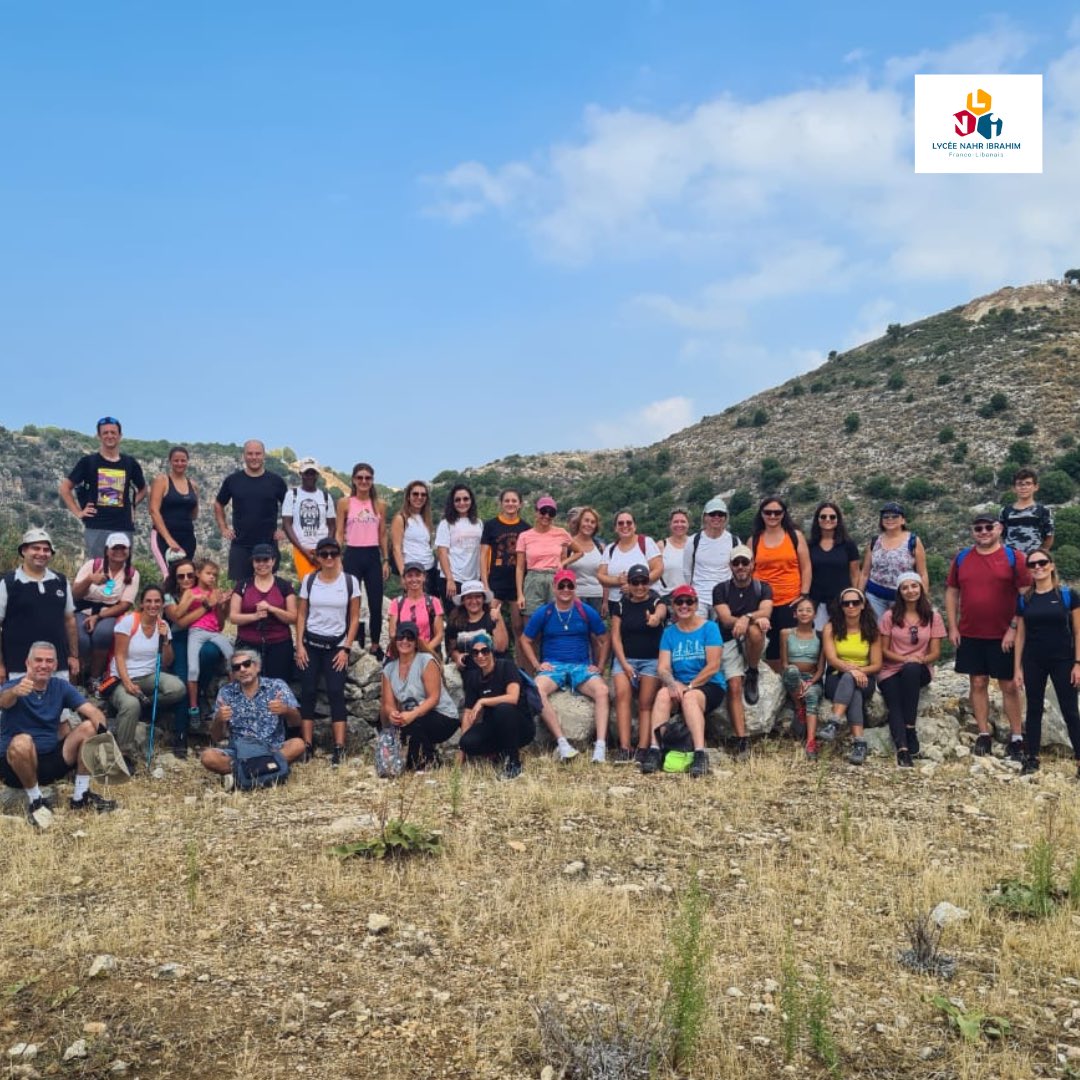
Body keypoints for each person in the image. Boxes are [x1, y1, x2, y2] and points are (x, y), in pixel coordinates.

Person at [1, 641, 118, 827]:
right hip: (16, 766)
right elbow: (4, 702)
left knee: (89, 727)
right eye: (38, 660)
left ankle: (80, 796)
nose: (44, 665)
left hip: (50, 761)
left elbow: (93, 713)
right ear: (28, 663)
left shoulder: (60, 686)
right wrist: (15, 692)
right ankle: (36, 801)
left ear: (55, 665)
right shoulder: (13, 686)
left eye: (49, 661)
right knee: (23, 741)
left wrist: (105, 741)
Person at [946, 513, 1030, 760]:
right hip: (971, 632)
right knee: (978, 682)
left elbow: (1026, 594)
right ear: (972, 531)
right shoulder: (962, 558)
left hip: (1004, 633)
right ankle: (983, 734)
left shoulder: (1014, 558)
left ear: (999, 528)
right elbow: (952, 591)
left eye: (988, 527)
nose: (983, 532)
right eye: (978, 528)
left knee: (1009, 685)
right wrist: (952, 626)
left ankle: (1016, 737)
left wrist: (1014, 627)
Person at [519, 568, 610, 763]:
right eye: (562, 585)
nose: (566, 589)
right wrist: (537, 664)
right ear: (554, 587)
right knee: (537, 689)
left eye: (570, 585)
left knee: (602, 690)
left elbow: (604, 638)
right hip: (554, 665)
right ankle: (562, 743)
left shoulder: (585, 611)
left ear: (575, 587)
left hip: (580, 666)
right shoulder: (545, 612)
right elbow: (525, 639)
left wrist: (600, 666)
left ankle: (600, 747)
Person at [641, 584, 726, 779]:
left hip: (708, 685)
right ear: (673, 605)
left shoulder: (709, 628)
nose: (684, 606)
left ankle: (699, 753)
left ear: (696, 604)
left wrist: (689, 686)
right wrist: (672, 684)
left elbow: (713, 665)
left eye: (689, 601)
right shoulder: (670, 633)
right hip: (680, 684)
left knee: (690, 699)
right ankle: (655, 749)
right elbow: (663, 667)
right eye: (679, 602)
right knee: (662, 695)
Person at [1013, 548, 1080, 776]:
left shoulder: (1068, 595)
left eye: (1042, 562)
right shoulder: (1025, 599)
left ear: (1051, 565)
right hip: (1034, 660)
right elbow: (1020, 635)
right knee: (1033, 709)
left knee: (1070, 711)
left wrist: (1078, 663)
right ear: (1029, 570)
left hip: (1064, 660)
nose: (1038, 567)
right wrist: (1017, 669)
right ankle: (1032, 758)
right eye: (1032, 564)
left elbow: (1078, 632)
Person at [295, 536, 361, 765]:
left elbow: (354, 618)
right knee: (308, 692)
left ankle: (339, 747)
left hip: (336, 646)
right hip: (312, 644)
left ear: (340, 555)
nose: (329, 558)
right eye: (324, 554)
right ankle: (306, 745)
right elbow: (301, 614)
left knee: (335, 692)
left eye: (334, 553)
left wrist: (346, 648)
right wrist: (299, 645)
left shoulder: (350, 582)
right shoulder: (309, 581)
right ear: (318, 557)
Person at [200, 648, 306, 780]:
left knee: (298, 745)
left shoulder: (277, 686)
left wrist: (286, 710)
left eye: (247, 664)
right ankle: (270, 771)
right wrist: (219, 719)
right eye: (237, 667)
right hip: (239, 752)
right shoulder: (226, 692)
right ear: (233, 673)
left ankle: (242, 775)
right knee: (208, 757)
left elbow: (297, 722)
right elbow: (216, 738)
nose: (242, 669)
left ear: (257, 667)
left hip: (271, 749)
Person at [106, 585, 186, 759]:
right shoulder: (129, 622)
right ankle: (124, 752)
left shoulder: (163, 625)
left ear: (162, 604)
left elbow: (167, 661)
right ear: (141, 604)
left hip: (148, 676)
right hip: (122, 678)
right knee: (130, 704)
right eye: (148, 601)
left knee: (178, 688)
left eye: (157, 601)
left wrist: (165, 640)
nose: (153, 605)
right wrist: (127, 683)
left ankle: (145, 703)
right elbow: (119, 656)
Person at [877, 572, 945, 767]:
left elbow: (935, 653)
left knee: (912, 670)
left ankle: (910, 728)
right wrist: (906, 659)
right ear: (899, 591)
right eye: (905, 587)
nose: (910, 591)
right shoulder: (890, 616)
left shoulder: (933, 616)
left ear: (921, 588)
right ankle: (903, 749)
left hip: (919, 668)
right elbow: (883, 649)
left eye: (914, 586)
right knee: (894, 700)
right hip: (892, 667)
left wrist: (917, 660)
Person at [713, 545, 774, 755]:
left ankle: (753, 669)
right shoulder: (721, 589)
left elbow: (767, 610)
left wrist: (746, 618)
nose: (741, 567)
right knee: (734, 685)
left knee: (756, 631)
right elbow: (724, 618)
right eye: (736, 563)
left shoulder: (762, 587)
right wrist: (749, 619)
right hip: (728, 640)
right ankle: (741, 739)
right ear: (730, 565)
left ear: (752, 565)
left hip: (750, 638)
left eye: (745, 562)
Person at [59, 416, 147, 558]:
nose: (109, 436)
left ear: (120, 436)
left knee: (121, 571)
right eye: (105, 433)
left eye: (113, 432)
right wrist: (78, 512)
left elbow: (143, 489)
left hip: (123, 526)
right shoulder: (88, 462)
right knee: (98, 569)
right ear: (98, 436)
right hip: (96, 526)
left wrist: (132, 504)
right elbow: (65, 488)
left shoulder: (130, 463)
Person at [0, 528, 78, 683]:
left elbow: (69, 620)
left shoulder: (61, 581)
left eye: (46, 550)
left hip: (56, 666)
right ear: (24, 550)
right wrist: (0, 664)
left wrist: (73, 656)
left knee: (59, 707)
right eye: (36, 548)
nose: (41, 553)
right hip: (18, 667)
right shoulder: (8, 583)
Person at [163, 558, 224, 754]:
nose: (186, 579)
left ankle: (198, 694)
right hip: (180, 639)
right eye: (181, 576)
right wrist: (206, 607)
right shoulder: (169, 596)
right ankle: (180, 734)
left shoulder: (207, 592)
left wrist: (220, 606)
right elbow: (179, 622)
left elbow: (220, 624)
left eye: (190, 574)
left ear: (196, 574)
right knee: (182, 680)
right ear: (175, 578)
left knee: (211, 653)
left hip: (202, 634)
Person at [380, 621, 459, 771]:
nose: (404, 641)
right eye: (401, 637)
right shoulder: (388, 669)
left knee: (416, 723)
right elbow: (388, 703)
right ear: (395, 640)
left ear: (416, 642)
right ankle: (425, 759)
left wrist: (412, 714)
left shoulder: (426, 661)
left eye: (410, 637)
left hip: (443, 716)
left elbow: (434, 698)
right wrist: (392, 714)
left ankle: (428, 761)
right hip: (412, 716)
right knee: (403, 739)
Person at [609, 564, 667, 764]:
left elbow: (662, 610)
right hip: (626, 659)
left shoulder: (656, 600)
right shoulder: (621, 605)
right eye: (635, 582)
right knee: (622, 697)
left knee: (645, 703)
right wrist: (624, 664)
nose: (640, 586)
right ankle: (624, 747)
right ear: (629, 583)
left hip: (651, 660)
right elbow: (615, 637)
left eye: (644, 582)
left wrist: (656, 618)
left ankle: (643, 747)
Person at [459, 632, 534, 779]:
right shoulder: (474, 677)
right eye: (475, 653)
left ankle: (514, 762)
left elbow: (512, 698)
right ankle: (499, 753)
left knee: (503, 708)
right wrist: (461, 751)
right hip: (494, 727)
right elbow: (468, 713)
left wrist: (483, 701)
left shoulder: (507, 666)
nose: (480, 656)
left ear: (492, 651)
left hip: (520, 725)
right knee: (467, 742)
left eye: (485, 651)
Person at [821, 587, 882, 765]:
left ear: (863, 605)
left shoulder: (872, 630)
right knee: (851, 686)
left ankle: (834, 722)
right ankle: (859, 744)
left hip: (865, 677)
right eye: (846, 603)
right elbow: (832, 659)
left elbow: (877, 665)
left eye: (855, 602)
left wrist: (858, 672)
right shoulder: (831, 628)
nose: (851, 606)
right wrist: (852, 670)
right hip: (836, 676)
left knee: (852, 680)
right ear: (841, 607)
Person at [750, 496, 811, 671]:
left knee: (793, 646)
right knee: (771, 649)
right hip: (764, 602)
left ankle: (796, 683)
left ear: (784, 514)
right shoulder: (754, 540)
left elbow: (806, 566)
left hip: (791, 599)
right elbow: (749, 571)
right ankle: (777, 684)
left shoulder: (794, 536)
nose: (772, 516)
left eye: (777, 512)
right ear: (761, 514)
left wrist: (804, 595)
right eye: (768, 512)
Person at [214, 439, 288, 582]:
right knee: (239, 590)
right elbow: (218, 504)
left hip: (268, 545)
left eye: (258, 454)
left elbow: (290, 506)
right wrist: (223, 528)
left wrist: (284, 529)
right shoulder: (233, 480)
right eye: (250, 454)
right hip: (240, 545)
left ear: (264, 455)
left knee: (267, 588)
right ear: (244, 456)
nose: (254, 457)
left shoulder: (276, 481)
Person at [336, 462, 389, 658]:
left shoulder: (380, 505)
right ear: (353, 480)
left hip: (372, 555)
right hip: (352, 555)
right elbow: (340, 532)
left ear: (372, 480)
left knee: (376, 603)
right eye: (360, 478)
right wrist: (336, 556)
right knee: (351, 602)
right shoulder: (345, 503)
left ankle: (375, 644)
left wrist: (386, 560)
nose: (364, 481)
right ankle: (353, 642)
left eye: (367, 478)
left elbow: (383, 534)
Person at [72, 534, 139, 684]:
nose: (119, 551)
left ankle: (95, 678)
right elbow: (75, 594)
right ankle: (78, 679)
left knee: (103, 634)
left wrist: (98, 617)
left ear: (129, 551)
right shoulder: (92, 566)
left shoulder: (132, 575)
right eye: (115, 548)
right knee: (81, 639)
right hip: (84, 609)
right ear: (107, 550)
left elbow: (124, 604)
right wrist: (89, 580)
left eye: (123, 548)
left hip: (109, 612)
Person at [229, 543, 298, 682]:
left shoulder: (284, 586)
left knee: (277, 686)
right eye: (257, 560)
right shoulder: (242, 585)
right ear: (252, 562)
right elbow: (233, 617)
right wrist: (255, 616)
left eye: (265, 560)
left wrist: (272, 609)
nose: (262, 564)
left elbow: (293, 617)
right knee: (248, 685)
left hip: (279, 645)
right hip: (248, 644)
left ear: (273, 561)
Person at [480, 488, 530, 656]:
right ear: (501, 503)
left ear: (520, 504)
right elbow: (482, 556)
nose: (510, 504)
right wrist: (485, 585)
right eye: (507, 501)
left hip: (517, 585)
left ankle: (521, 668)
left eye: (514, 501)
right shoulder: (490, 525)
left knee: (519, 628)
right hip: (495, 582)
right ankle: (491, 664)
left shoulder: (526, 528)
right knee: (490, 625)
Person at [859, 502, 929, 622]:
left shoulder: (912, 541)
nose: (890, 519)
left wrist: (923, 598)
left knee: (899, 632)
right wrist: (859, 595)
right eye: (886, 517)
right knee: (877, 632)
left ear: (903, 520)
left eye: (895, 516)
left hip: (904, 598)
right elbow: (865, 573)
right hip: (874, 597)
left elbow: (922, 573)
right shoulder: (875, 541)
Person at [185, 558, 234, 722]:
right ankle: (193, 707)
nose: (212, 577)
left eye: (215, 574)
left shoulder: (216, 592)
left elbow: (221, 622)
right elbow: (180, 613)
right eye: (208, 573)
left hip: (214, 632)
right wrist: (199, 601)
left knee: (232, 660)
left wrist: (223, 605)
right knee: (193, 669)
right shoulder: (191, 592)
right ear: (198, 574)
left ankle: (234, 699)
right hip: (196, 632)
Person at [515, 496, 572, 618]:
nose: (546, 515)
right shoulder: (525, 536)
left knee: (556, 618)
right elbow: (520, 568)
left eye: (551, 512)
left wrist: (564, 562)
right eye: (543, 511)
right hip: (533, 578)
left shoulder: (561, 533)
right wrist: (520, 594)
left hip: (555, 578)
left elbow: (579, 552)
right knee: (531, 620)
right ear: (536, 512)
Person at [780, 596, 824, 753]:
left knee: (811, 695)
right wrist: (798, 682)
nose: (804, 613)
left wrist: (811, 682)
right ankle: (799, 707)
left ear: (815, 614)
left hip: (812, 678)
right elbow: (784, 663)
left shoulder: (820, 635)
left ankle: (811, 742)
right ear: (795, 614)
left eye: (808, 610)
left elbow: (820, 668)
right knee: (791, 670)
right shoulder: (786, 633)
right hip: (793, 676)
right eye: (800, 610)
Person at [808, 501, 860, 630]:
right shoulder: (809, 545)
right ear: (817, 520)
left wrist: (856, 596)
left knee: (840, 637)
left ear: (838, 520)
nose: (827, 519)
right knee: (819, 639)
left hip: (841, 602)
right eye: (823, 516)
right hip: (816, 601)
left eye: (832, 517)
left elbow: (855, 574)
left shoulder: (848, 545)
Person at [148, 445, 199, 575]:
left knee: (185, 577)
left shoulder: (193, 485)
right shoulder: (162, 481)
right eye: (176, 460)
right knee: (169, 576)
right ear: (170, 461)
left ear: (187, 461)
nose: (179, 463)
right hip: (164, 537)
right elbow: (153, 510)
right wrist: (169, 539)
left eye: (183, 460)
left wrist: (193, 499)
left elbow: (194, 515)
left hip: (187, 537)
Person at [282, 457, 336, 580]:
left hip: (323, 550)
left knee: (327, 585)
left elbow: (332, 525)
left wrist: (326, 548)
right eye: (307, 473)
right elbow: (287, 524)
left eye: (313, 473)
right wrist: (304, 552)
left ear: (317, 475)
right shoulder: (292, 495)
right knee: (308, 585)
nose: (310, 476)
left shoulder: (326, 497)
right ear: (301, 473)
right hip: (302, 549)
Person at [684, 497, 738, 617]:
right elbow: (687, 571)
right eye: (712, 514)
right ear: (705, 517)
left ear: (726, 517)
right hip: (699, 599)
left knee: (721, 634)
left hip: (724, 599)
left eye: (721, 514)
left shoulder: (734, 541)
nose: (716, 517)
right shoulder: (693, 541)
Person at [598, 509, 663, 608]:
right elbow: (600, 575)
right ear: (615, 528)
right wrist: (617, 580)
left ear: (635, 526)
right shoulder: (610, 549)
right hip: (616, 603)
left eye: (629, 522)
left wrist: (634, 586)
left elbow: (658, 569)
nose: (625, 525)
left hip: (645, 601)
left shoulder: (646, 543)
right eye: (620, 523)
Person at [435, 484, 484, 604]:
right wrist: (449, 579)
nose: (462, 503)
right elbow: (442, 552)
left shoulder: (479, 523)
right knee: (455, 618)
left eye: (466, 499)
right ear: (452, 503)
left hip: (473, 580)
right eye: (457, 500)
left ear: (471, 501)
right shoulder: (445, 523)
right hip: (452, 579)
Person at [446, 580, 509, 671]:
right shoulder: (455, 621)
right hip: (469, 670)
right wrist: (457, 657)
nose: (474, 601)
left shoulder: (492, 615)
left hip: (495, 668)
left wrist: (497, 621)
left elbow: (501, 648)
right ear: (463, 600)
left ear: (483, 599)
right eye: (469, 598)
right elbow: (451, 648)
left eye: (478, 597)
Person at [390, 480, 437, 595]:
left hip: (430, 569)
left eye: (423, 494)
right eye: (415, 494)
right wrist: (403, 575)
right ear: (408, 497)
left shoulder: (426, 519)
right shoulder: (401, 518)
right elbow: (396, 548)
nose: (419, 497)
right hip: (413, 572)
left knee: (431, 608)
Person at [387, 563, 445, 652]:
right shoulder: (397, 603)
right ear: (404, 579)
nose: (414, 579)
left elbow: (439, 634)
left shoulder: (433, 602)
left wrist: (425, 650)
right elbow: (392, 633)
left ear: (424, 577)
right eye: (409, 576)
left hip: (427, 650)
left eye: (418, 575)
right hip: (403, 650)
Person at [560, 506, 606, 613]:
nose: (589, 524)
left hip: (597, 596)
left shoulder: (600, 547)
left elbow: (604, 576)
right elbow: (562, 572)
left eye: (592, 522)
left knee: (594, 629)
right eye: (586, 520)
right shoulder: (567, 545)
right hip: (574, 595)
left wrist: (605, 602)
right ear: (579, 522)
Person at [1000, 467, 1054, 554]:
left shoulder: (1044, 511)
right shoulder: (1005, 511)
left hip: (1034, 562)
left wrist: (1040, 555)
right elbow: (1001, 537)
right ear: (1014, 488)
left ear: (1036, 487)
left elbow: (1049, 536)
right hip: (1011, 560)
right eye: (1020, 484)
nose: (1023, 487)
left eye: (1028, 483)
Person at [659, 507, 692, 593]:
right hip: (667, 596)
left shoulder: (695, 544)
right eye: (676, 522)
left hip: (690, 599)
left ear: (688, 524)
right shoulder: (661, 546)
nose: (679, 525)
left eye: (683, 521)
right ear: (670, 524)